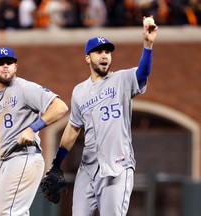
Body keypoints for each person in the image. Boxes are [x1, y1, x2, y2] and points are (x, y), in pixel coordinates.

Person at [49, 16, 158, 215]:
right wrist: (57, 163)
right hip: (88, 170)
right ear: (87, 58)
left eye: (107, 52)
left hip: (117, 167)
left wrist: (147, 45)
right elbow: (73, 128)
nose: (104, 55)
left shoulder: (121, 79)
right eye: (99, 52)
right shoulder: (79, 91)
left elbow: (142, 73)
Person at [0, 47, 68, 216]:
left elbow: (60, 107)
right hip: (8, 162)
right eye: (0, 63)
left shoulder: (25, 87)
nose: (5, 66)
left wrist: (33, 128)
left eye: (9, 62)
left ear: (15, 67)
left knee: (5, 213)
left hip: (24, 157)